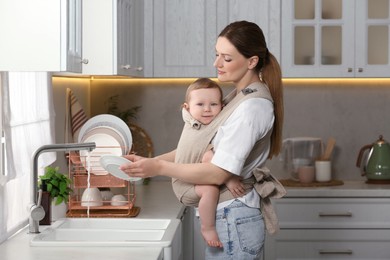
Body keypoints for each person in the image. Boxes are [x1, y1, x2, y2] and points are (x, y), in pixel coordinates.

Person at [121, 20, 285, 259]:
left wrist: (157, 167)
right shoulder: (236, 97)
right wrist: (148, 162)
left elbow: (218, 172)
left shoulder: (252, 108)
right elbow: (199, 150)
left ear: (252, 62)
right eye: (217, 54)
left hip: (234, 217)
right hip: (230, 217)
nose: (216, 63)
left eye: (226, 58)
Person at [173, 77, 245, 248]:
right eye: (200, 105)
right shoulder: (196, 125)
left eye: (214, 104)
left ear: (222, 106)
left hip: (191, 177)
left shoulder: (206, 124)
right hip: (184, 185)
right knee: (211, 190)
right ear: (187, 107)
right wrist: (229, 178)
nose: (207, 110)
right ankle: (208, 227)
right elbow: (209, 158)